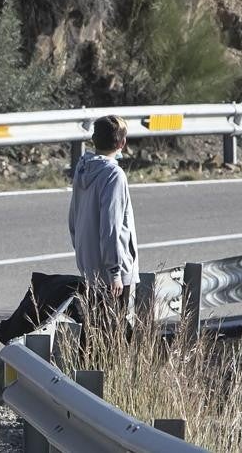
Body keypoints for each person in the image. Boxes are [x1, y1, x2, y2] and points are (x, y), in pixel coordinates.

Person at [68, 115, 139, 331]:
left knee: (96, 331)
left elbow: (73, 218)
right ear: (122, 143)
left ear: (94, 140)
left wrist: (84, 257)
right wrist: (115, 273)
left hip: (90, 268)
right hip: (113, 275)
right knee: (116, 334)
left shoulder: (82, 168)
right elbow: (111, 227)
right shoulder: (114, 175)